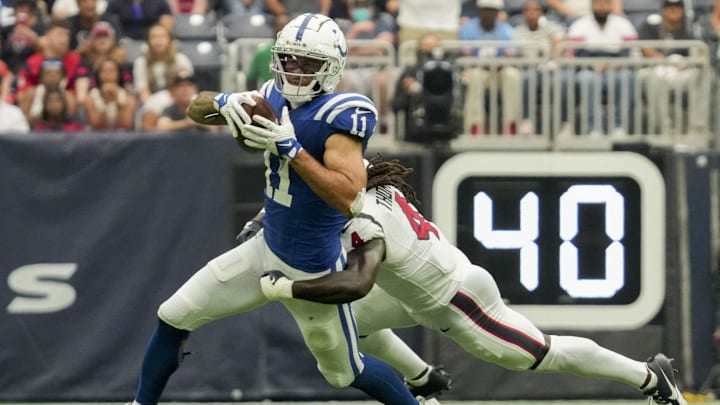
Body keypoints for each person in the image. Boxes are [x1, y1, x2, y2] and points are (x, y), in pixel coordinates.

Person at [127, 13, 439, 405]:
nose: (293, 70)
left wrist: (291, 148)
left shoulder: (341, 113)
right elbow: (197, 109)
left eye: (307, 63)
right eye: (288, 59)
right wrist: (229, 105)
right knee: (173, 314)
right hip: (266, 248)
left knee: (345, 372)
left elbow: (348, 198)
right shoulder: (270, 96)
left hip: (314, 268)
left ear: (331, 68)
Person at [255, 155, 690, 405]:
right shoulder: (366, 187)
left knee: (536, 354)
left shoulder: (369, 217)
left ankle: (651, 377)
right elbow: (316, 200)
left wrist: (286, 288)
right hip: (409, 288)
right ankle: (423, 377)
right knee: (354, 324)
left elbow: (355, 282)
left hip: (455, 297)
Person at [566, 0, 637, 136]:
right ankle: (593, 128)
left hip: (617, 66)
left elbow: (631, 51)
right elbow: (574, 53)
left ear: (610, 5)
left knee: (625, 78)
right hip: (589, 67)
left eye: (605, 3)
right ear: (592, 5)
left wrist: (615, 64)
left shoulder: (623, 24)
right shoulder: (580, 24)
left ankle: (619, 126)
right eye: (597, 3)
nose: (601, 7)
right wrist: (592, 64)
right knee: (587, 80)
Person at [636, 0, 704, 134]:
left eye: (677, 7)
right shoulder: (651, 24)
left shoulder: (688, 28)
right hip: (655, 69)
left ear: (683, 10)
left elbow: (700, 54)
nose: (673, 10)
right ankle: (663, 127)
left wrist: (687, 62)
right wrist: (666, 61)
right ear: (663, 10)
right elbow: (646, 49)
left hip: (680, 72)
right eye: (669, 7)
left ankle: (697, 127)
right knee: (653, 77)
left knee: (703, 75)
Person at [459, 0, 521, 135]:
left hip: (499, 71)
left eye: (492, 10)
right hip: (478, 70)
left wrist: (501, 63)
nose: (488, 14)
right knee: (474, 76)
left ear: (497, 13)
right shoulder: (468, 28)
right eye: (485, 10)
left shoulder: (506, 30)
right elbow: (465, 54)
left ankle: (509, 124)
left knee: (512, 75)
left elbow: (511, 54)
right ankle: (475, 126)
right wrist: (482, 63)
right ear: (479, 10)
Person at [84, 57, 137, 130]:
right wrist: (105, 102)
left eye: (112, 70)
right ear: (98, 74)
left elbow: (125, 125)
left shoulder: (129, 98)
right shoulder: (90, 98)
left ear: (118, 74)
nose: (108, 73)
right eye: (104, 70)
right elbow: (97, 126)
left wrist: (116, 101)